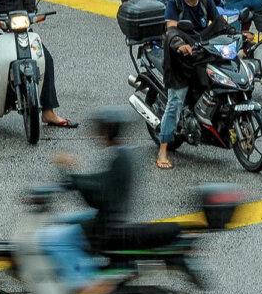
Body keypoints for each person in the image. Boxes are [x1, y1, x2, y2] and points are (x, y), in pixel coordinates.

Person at [53, 107, 181, 249]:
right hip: (114, 217)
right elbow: (99, 181)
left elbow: (99, 191)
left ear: (107, 132)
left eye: (100, 129)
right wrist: (75, 180)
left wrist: (70, 177)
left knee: (57, 240)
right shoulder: (124, 154)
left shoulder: (119, 160)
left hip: (106, 228)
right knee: (65, 219)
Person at [156, 0, 232, 169]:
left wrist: (239, 36)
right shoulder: (175, 3)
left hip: (200, 55)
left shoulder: (206, 1)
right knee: (175, 104)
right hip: (180, 61)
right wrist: (179, 43)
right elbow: (170, 29)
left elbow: (219, 25)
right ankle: (163, 150)